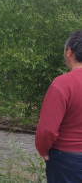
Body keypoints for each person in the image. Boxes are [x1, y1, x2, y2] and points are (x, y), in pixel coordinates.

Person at [35, 30, 82, 182]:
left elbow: (47, 129)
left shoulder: (62, 84)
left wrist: (43, 150)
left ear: (69, 52)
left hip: (67, 160)